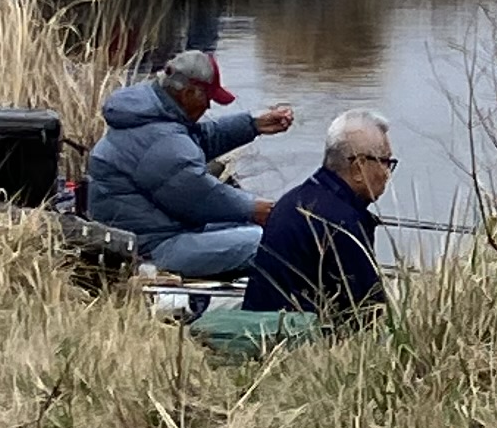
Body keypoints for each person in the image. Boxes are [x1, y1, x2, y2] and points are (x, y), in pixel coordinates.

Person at [81, 47, 298, 279]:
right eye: (208, 98)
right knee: (267, 240)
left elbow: (195, 142)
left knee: (253, 231)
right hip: (150, 249)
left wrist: (252, 125)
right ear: (188, 93)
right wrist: (254, 209)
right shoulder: (161, 138)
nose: (208, 107)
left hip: (156, 232)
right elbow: (201, 198)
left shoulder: (150, 114)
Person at [240, 109, 395, 320]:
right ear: (358, 167)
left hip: (259, 325)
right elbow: (368, 310)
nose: (387, 174)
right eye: (385, 162)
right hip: (294, 335)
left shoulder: (295, 198)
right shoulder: (342, 223)